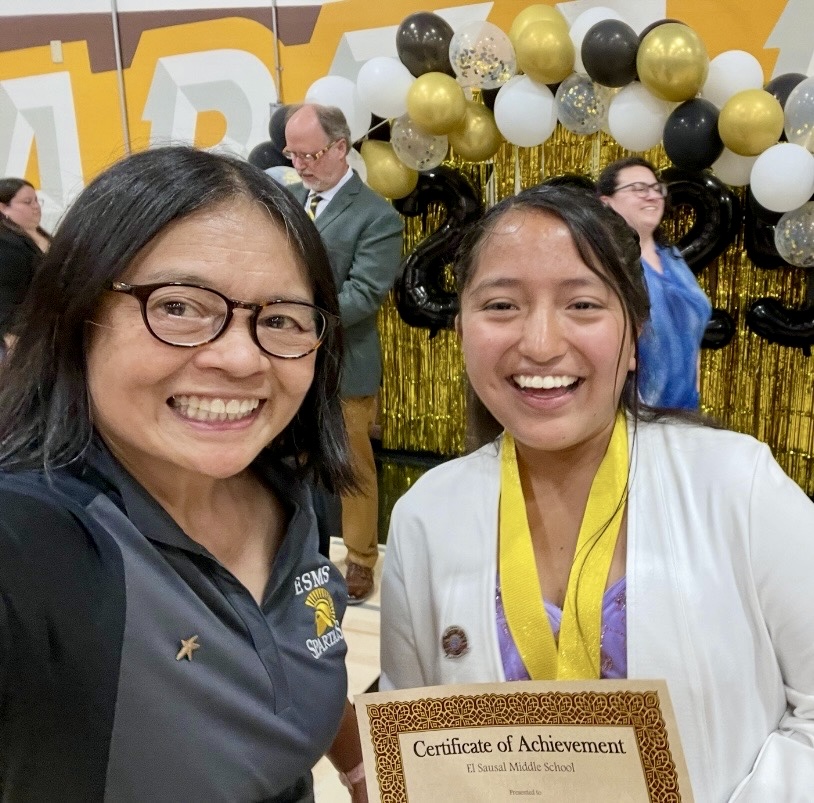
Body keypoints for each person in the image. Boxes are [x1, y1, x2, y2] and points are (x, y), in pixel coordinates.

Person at [380, 185, 814, 801]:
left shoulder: (735, 484)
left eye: (582, 305)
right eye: (501, 305)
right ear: (462, 328)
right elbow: (419, 747)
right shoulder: (426, 514)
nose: (539, 343)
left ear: (633, 336)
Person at [0, 146, 367, 801]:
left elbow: (298, 652)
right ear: (77, 313)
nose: (240, 357)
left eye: (279, 319)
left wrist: (363, 769)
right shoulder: (37, 542)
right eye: (179, 307)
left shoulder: (286, 492)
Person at [284, 103, 403, 603]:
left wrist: (295, 323)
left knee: (352, 467)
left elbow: (364, 293)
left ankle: (360, 560)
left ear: (340, 147)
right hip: (284, 362)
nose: (300, 165)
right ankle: (295, 550)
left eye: (309, 154)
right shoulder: (284, 200)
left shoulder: (377, 214)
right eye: (292, 154)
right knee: (289, 462)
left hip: (343, 363)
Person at [597, 157, 711, 410]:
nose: (651, 196)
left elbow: (692, 334)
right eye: (638, 188)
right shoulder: (603, 262)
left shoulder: (673, 259)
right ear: (606, 202)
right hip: (628, 416)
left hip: (682, 415)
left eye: (656, 188)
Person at [0, 177, 50, 356]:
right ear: (3, 208)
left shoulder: (41, 235)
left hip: (46, 328)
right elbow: (6, 298)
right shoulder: (6, 244)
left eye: (37, 200)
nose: (36, 206)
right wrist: (12, 337)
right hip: (20, 337)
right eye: (27, 202)